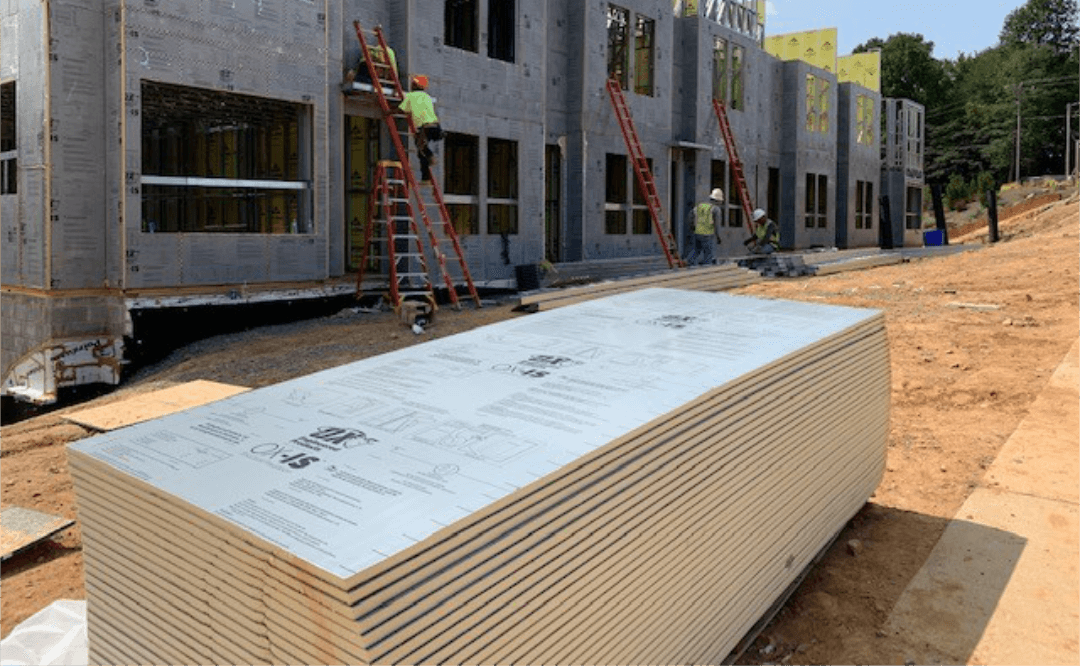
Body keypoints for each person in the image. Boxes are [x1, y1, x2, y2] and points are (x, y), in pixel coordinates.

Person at [398, 75, 443, 182]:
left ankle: (431, 156)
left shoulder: (411, 96)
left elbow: (402, 110)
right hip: (436, 127)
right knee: (420, 151)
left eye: (412, 83)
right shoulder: (427, 97)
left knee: (422, 150)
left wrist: (389, 112)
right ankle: (425, 177)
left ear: (414, 85)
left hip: (425, 127)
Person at [686, 188, 724, 265]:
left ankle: (690, 267)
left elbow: (690, 217)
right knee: (708, 255)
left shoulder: (699, 206)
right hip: (708, 235)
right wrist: (718, 236)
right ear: (718, 200)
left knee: (695, 251)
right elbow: (717, 224)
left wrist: (692, 228)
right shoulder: (716, 209)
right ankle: (706, 270)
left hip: (697, 233)